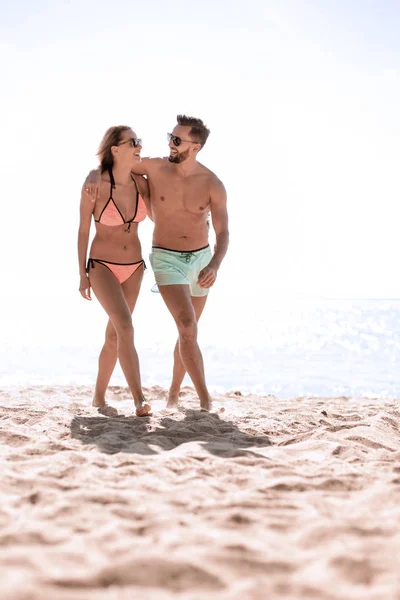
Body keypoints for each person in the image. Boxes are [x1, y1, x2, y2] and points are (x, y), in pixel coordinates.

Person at [86, 115, 229, 411]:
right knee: (186, 323)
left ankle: (174, 394)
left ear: (196, 146)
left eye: (177, 140)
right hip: (166, 258)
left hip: (202, 260)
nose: (170, 144)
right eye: (170, 137)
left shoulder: (213, 184)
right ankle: (205, 401)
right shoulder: (154, 167)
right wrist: (91, 176)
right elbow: (115, 164)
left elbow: (223, 232)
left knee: (188, 332)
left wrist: (214, 264)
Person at [78, 125, 151, 417]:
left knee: (114, 335)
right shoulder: (95, 183)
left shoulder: (142, 183)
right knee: (126, 325)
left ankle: (98, 397)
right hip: (102, 266)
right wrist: (81, 273)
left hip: (135, 267)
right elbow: (84, 229)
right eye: (133, 141)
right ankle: (139, 399)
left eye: (139, 141)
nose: (139, 146)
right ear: (115, 149)